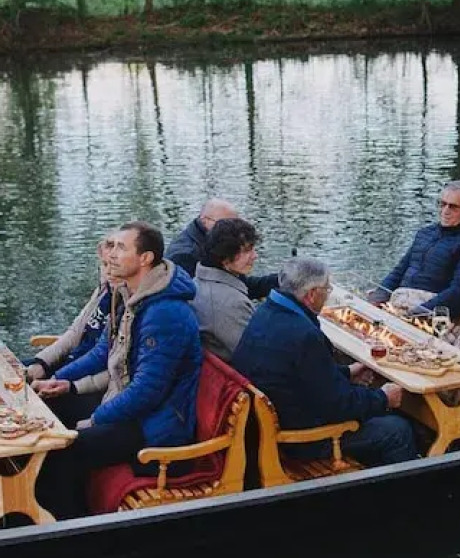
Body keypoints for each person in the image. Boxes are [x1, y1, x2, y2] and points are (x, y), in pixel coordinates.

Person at [34, 222, 202, 518]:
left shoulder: (165, 314)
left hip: (155, 428)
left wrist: (96, 419)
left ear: (145, 258)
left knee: (61, 450)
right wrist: (61, 382)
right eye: (110, 247)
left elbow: (147, 392)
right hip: (127, 403)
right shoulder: (129, 295)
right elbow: (103, 353)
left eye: (120, 248)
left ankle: (67, 527)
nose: (109, 254)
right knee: (50, 405)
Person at [234, 258, 416, 467]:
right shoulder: (304, 335)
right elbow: (338, 405)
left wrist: (347, 372)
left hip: (276, 418)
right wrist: (384, 398)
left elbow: (305, 375)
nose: (328, 294)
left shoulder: (266, 312)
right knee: (397, 429)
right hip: (302, 439)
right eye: (327, 289)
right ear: (311, 294)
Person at [24, 235, 123, 429]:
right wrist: (42, 362)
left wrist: (59, 380)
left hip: (93, 381)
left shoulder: (127, 305)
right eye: (103, 265)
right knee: (13, 371)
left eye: (113, 266)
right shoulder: (103, 292)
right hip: (73, 363)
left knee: (34, 402)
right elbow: (74, 333)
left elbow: (108, 360)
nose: (108, 273)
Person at [374, 180, 460, 318]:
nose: (445, 211)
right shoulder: (425, 233)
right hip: (400, 301)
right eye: (442, 204)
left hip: (433, 312)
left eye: (453, 207)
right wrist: (379, 295)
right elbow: (399, 270)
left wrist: (417, 313)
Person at [165, 197, 278, 298]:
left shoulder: (216, 241)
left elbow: (240, 284)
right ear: (205, 220)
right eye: (226, 223)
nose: (235, 229)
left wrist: (281, 280)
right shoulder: (185, 255)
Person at [192, 217, 261, 362]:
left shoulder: (198, 283)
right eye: (248, 250)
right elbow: (255, 356)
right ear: (225, 257)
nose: (255, 256)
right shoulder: (231, 303)